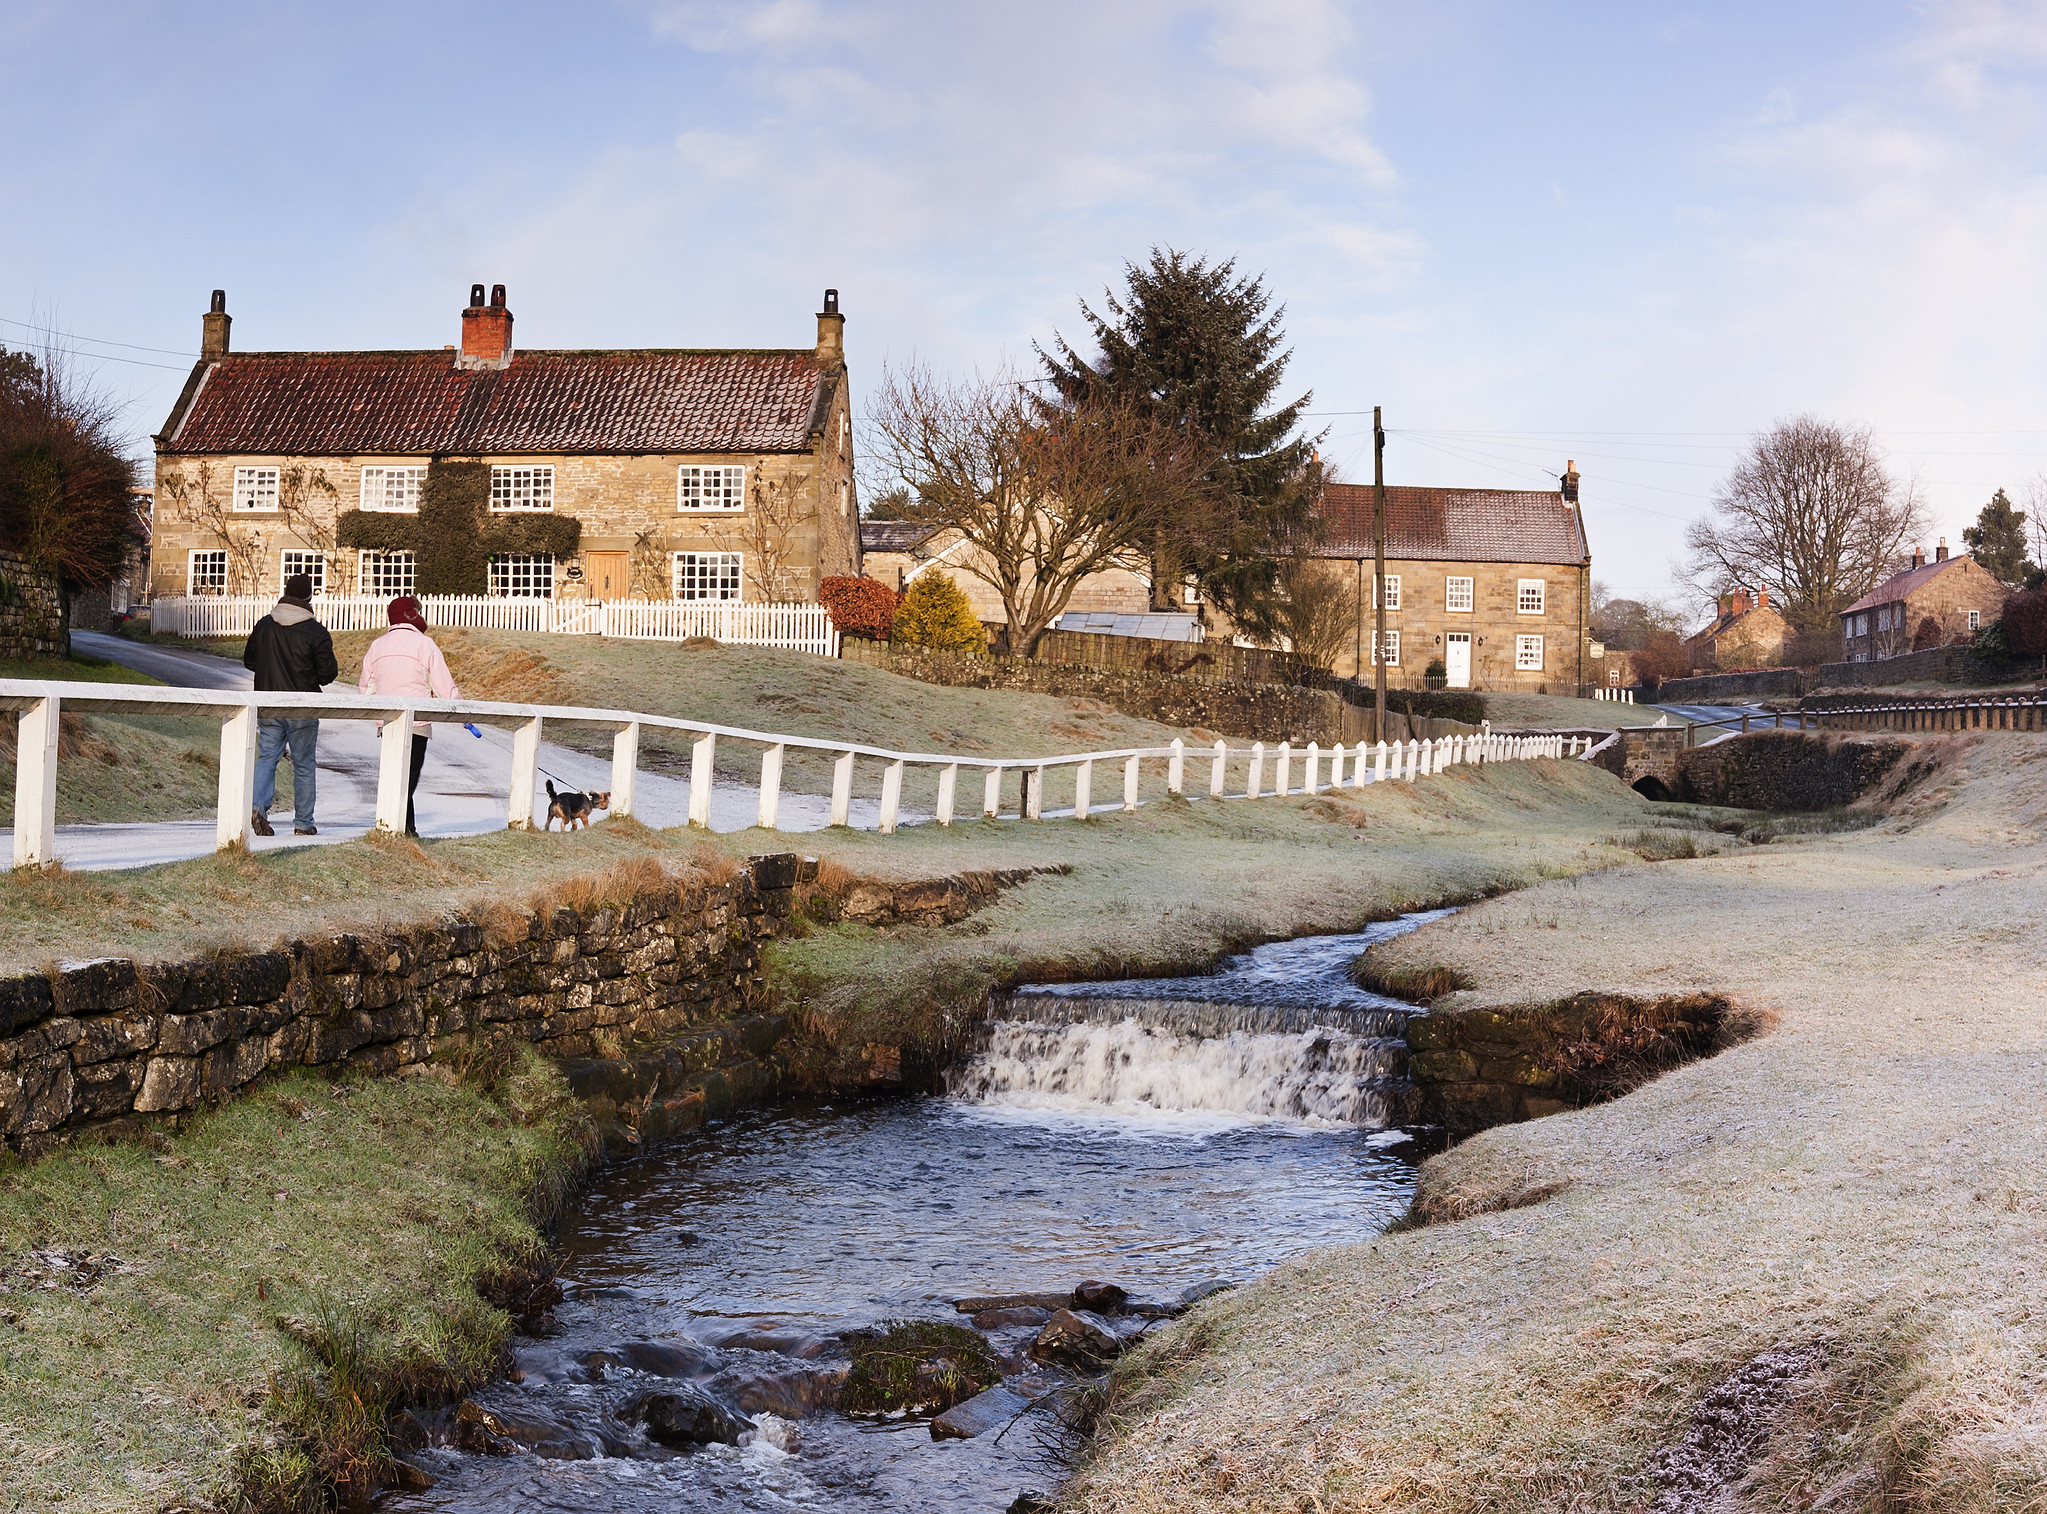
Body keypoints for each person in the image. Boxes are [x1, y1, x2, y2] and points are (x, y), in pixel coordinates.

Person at [243, 572, 338, 837]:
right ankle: (303, 824)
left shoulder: (264, 625)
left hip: (268, 704)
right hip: (303, 706)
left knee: (266, 759)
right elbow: (328, 674)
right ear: (308, 597)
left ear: (285, 593)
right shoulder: (315, 632)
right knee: (304, 765)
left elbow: (249, 661)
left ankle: (257, 808)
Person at [361, 595, 461, 837]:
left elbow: (367, 688)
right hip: (417, 722)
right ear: (412, 614)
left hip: (388, 722)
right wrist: (460, 711)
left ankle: (405, 829)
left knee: (395, 776)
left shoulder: (377, 645)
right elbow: (442, 684)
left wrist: (379, 719)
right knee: (408, 778)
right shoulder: (425, 645)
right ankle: (403, 829)